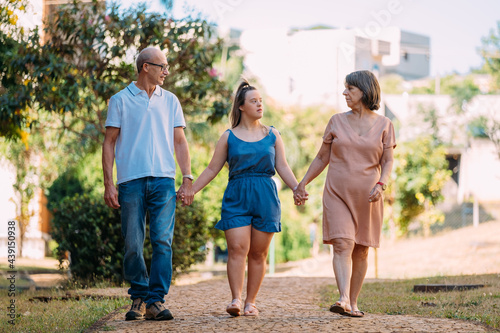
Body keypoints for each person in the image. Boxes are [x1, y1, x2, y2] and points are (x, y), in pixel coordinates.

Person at [184, 80, 304, 317]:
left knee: (258, 254)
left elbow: (282, 166)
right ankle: (236, 299)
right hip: (237, 195)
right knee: (237, 248)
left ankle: (251, 302)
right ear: (241, 106)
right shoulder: (228, 137)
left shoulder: (273, 134)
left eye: (260, 101)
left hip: (265, 197)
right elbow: (211, 169)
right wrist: (191, 189)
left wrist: (297, 188)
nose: (259, 104)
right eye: (253, 101)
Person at [102, 47, 194, 321]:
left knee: (162, 241)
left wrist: (187, 177)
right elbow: (109, 143)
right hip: (130, 181)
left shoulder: (171, 101)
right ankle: (139, 296)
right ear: (145, 67)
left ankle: (155, 300)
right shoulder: (120, 100)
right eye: (162, 66)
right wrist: (109, 183)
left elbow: (180, 141)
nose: (167, 71)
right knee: (133, 242)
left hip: (164, 180)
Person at [294, 70, 396, 318]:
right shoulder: (336, 121)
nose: (345, 93)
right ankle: (343, 298)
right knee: (342, 243)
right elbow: (322, 157)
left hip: (369, 195)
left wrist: (381, 184)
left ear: (364, 91)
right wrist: (303, 183)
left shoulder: (385, 125)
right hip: (337, 193)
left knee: (361, 249)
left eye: (350, 88)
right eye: (345, 88)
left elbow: (388, 160)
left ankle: (353, 302)